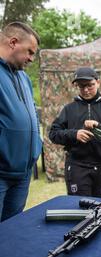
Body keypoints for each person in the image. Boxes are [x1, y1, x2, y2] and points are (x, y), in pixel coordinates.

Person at [49, 67, 101, 197]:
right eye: (81, 86)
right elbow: (53, 133)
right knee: (79, 208)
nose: (86, 90)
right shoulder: (69, 109)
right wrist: (75, 134)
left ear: (98, 82)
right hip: (77, 166)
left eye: (90, 85)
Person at [0, 22, 41, 222]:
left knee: (12, 231)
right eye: (30, 52)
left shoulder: (24, 78)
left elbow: (32, 112)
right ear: (13, 42)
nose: (31, 59)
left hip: (23, 173)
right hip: (1, 172)